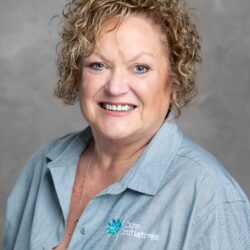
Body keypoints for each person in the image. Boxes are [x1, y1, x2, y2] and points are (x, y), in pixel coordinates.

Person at [4, 0, 250, 249]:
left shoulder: (209, 198)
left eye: (140, 68)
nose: (115, 87)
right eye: (98, 65)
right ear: (77, 75)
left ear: (175, 83)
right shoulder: (44, 164)